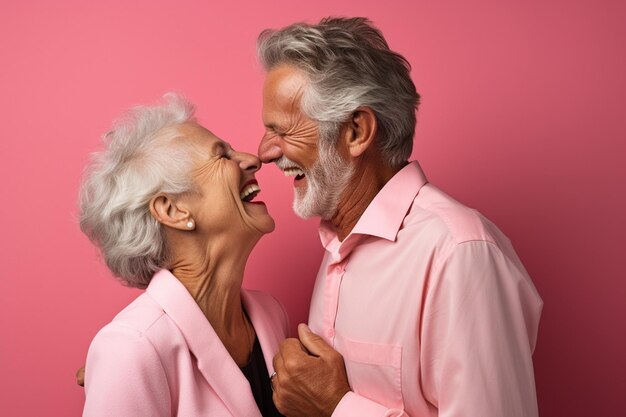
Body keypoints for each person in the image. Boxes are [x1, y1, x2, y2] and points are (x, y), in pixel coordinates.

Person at [257, 17, 543, 417]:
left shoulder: (460, 254)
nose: (265, 152)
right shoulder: (337, 244)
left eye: (284, 130)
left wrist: (336, 407)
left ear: (356, 131)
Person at [79, 93, 286, 416]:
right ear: (173, 209)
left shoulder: (271, 314)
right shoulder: (130, 348)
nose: (251, 159)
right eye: (222, 156)